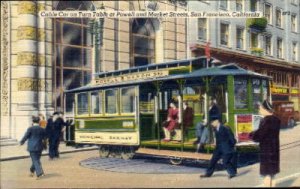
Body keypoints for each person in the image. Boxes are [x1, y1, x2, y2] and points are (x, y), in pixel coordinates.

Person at [249, 100, 281, 187]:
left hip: (266, 152)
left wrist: (251, 134)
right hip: (274, 151)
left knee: (266, 175)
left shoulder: (266, 121)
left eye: (260, 109)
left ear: (265, 109)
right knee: (272, 174)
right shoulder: (276, 120)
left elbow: (259, 135)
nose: (259, 111)